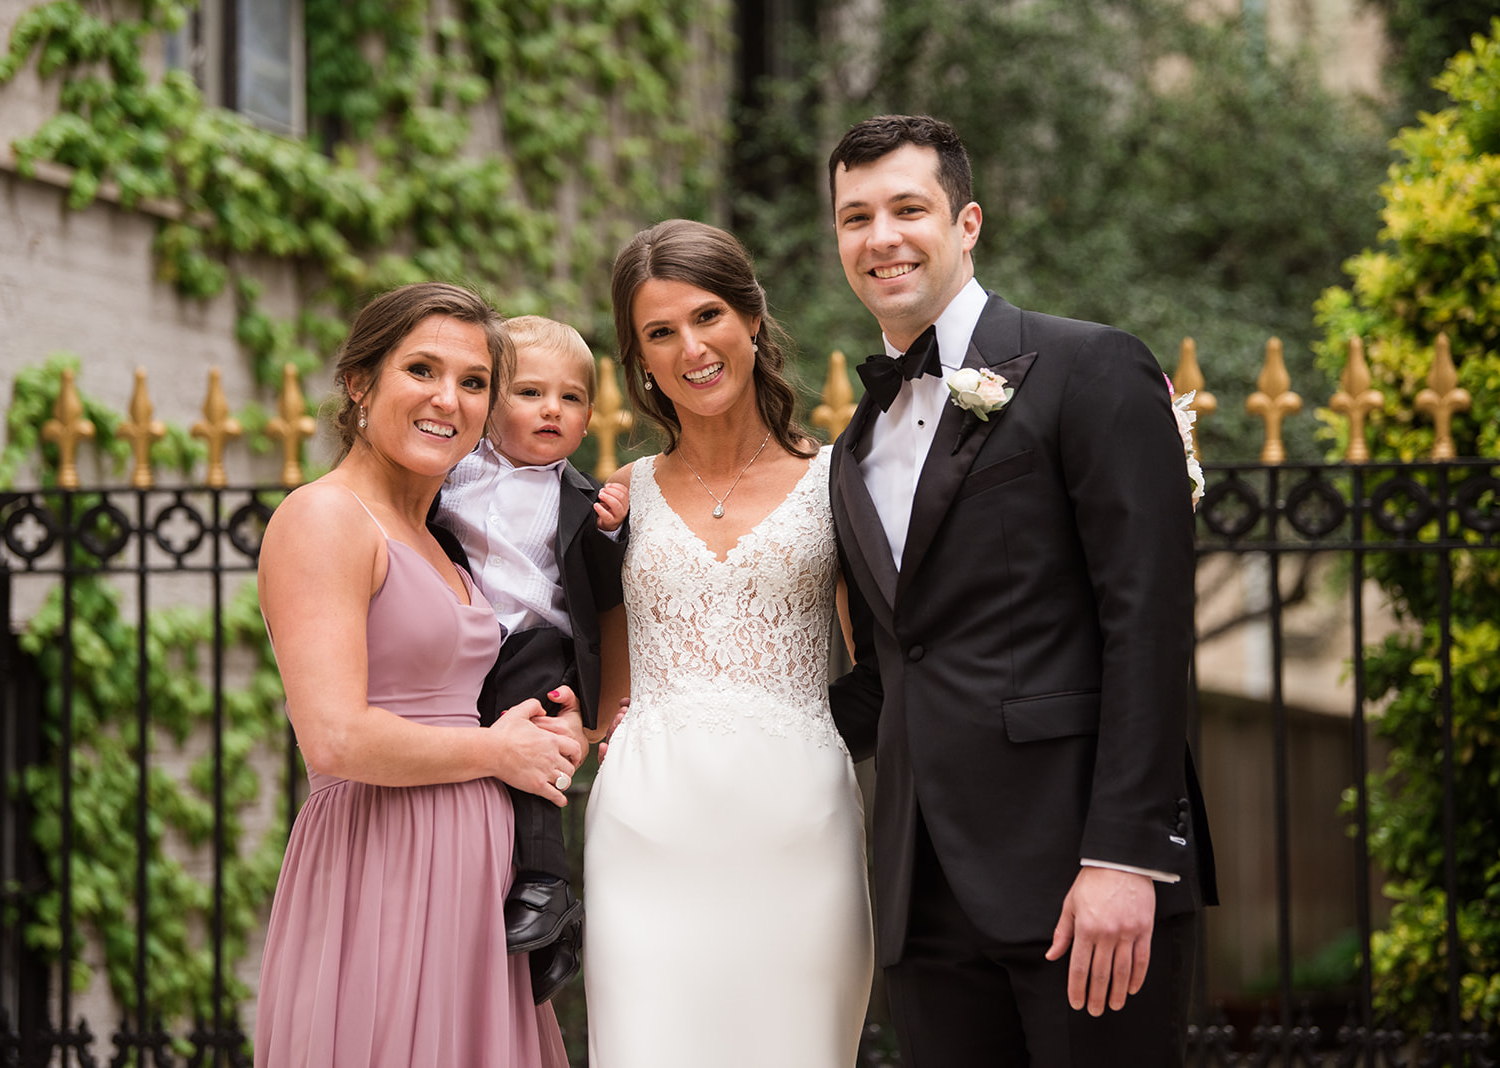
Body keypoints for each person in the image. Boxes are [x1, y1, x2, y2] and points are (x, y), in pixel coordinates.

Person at [825, 115, 1217, 1067]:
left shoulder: (1091, 368)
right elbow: (895, 663)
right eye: (854, 217)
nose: (881, 237)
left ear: (967, 223)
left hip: (1082, 875)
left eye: (907, 208)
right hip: (921, 896)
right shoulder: (853, 447)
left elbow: (1149, 626)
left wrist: (1125, 855)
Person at [254, 283, 580, 1068]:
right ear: (361, 383)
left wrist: (559, 727)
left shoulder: (442, 537)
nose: (449, 399)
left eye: (473, 382)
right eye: (422, 370)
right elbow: (334, 736)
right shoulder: (326, 518)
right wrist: (496, 755)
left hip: (475, 877)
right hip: (381, 863)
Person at [582, 219, 874, 1067]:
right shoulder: (619, 498)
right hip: (647, 831)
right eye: (660, 333)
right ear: (638, 358)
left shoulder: (837, 481)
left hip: (800, 829)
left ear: (752, 318)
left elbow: (881, 666)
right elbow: (603, 675)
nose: (691, 349)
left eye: (708, 316)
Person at [431, 315, 630, 1005]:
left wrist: (613, 531)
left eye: (572, 398)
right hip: (464, 648)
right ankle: (519, 912)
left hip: (538, 649)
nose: (553, 409)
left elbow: (612, 597)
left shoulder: (582, 499)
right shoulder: (447, 477)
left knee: (532, 745)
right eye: (531, 392)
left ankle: (547, 884)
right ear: (488, 406)